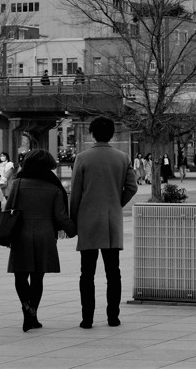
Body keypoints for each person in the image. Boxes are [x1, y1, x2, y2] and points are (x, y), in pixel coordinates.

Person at [70, 117, 137, 329]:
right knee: (113, 272)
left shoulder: (82, 158)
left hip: (88, 220)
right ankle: (113, 317)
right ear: (112, 135)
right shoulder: (122, 157)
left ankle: (87, 318)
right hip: (111, 221)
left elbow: (75, 193)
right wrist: (117, 203)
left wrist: (73, 219)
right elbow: (132, 187)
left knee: (86, 273)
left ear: (92, 134)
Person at [6, 149, 76, 332]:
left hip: (21, 235)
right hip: (45, 235)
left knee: (20, 275)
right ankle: (33, 314)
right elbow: (61, 217)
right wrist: (73, 230)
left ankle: (26, 307)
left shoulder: (18, 184)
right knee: (37, 277)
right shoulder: (54, 187)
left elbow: (8, 210)